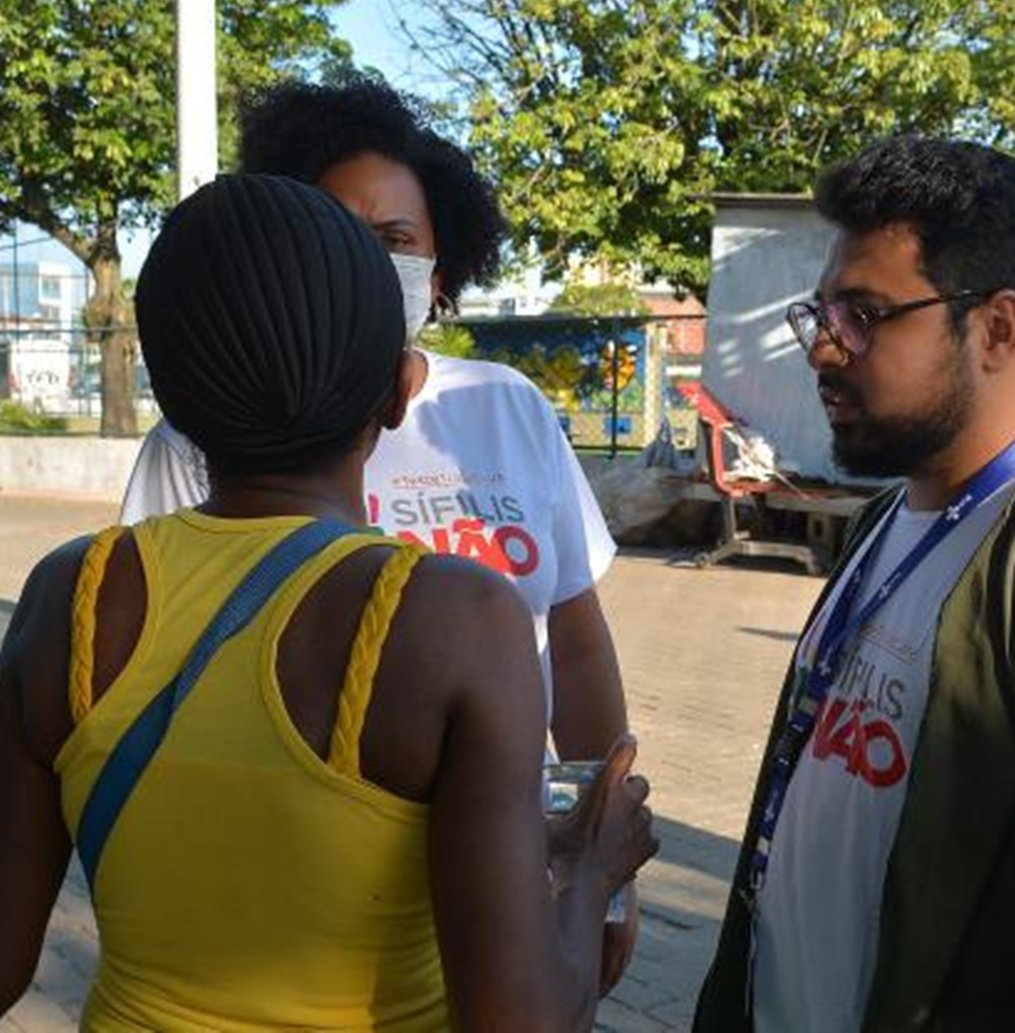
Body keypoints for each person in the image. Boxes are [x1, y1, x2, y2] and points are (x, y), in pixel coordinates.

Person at [0, 173, 656, 1029]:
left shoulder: (71, 596)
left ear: (174, 398)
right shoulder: (453, 618)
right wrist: (592, 871)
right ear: (393, 392)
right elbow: (522, 1017)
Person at [119, 78, 637, 986]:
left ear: (439, 273)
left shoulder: (506, 408)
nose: (365, 265)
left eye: (396, 242)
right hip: (290, 891)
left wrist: (599, 867)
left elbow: (579, 644)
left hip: (507, 860)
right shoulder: (206, 439)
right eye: (335, 235)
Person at [694, 136, 1015, 1032]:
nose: (823, 351)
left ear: (998, 327)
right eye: (820, 314)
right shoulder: (892, 520)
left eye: (864, 315)